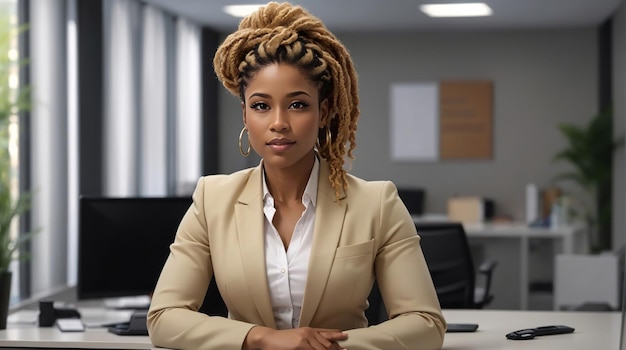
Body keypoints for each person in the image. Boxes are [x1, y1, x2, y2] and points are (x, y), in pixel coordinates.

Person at [147, 2, 446, 349]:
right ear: (245, 114)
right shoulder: (212, 199)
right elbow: (164, 316)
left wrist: (323, 347)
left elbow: (425, 324)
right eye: (261, 106)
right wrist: (263, 338)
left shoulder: (377, 203)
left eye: (297, 104)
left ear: (324, 112)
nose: (278, 122)